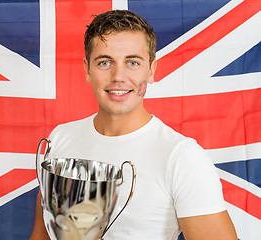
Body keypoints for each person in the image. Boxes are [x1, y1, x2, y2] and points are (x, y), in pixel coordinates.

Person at [30, 10, 237, 239]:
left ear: (151, 70)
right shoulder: (61, 137)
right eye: (105, 62)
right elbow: (43, 235)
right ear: (87, 69)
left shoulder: (182, 156)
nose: (119, 76)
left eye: (132, 62)